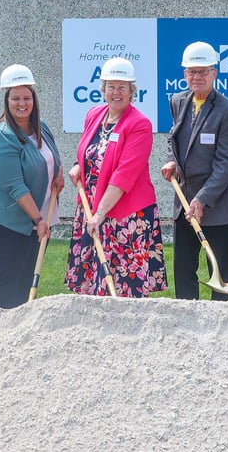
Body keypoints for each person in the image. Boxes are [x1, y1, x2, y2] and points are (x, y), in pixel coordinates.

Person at [66, 57, 166, 297]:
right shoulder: (94, 115)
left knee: (123, 286)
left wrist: (100, 214)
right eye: (111, 86)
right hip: (92, 209)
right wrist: (79, 165)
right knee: (91, 281)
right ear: (102, 89)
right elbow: (90, 153)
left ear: (132, 91)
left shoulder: (139, 124)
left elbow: (124, 175)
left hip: (125, 216)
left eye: (122, 87)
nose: (116, 92)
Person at [160, 41, 228, 300]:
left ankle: (224, 327)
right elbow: (175, 139)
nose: (196, 77)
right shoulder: (177, 101)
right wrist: (172, 160)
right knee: (184, 270)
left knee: (221, 274)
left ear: (214, 73)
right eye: (191, 72)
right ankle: (187, 324)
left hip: (217, 206)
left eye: (203, 71)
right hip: (184, 203)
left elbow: (225, 164)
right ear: (185, 74)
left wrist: (202, 199)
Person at [0, 64, 64, 308]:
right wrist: (38, 220)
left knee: (27, 275)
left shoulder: (41, 127)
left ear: (33, 99)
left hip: (34, 215)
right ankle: (0, 324)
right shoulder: (2, 136)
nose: (22, 103)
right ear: (7, 100)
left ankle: (20, 325)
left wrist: (59, 172)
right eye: (15, 98)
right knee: (9, 274)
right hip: (5, 216)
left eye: (27, 97)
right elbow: (14, 185)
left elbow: (52, 155)